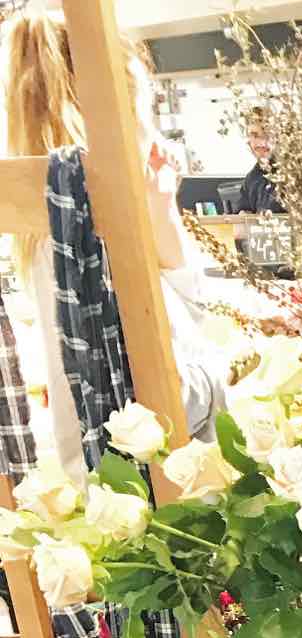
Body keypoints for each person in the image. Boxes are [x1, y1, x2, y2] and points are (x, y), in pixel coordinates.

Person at [0, 4, 226, 484]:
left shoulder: (55, 220)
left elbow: (188, 307)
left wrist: (161, 207)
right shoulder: (83, 229)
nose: (155, 132)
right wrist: (219, 372)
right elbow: (171, 401)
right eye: (145, 109)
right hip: (156, 493)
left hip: (114, 486)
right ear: (118, 114)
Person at [240, 108, 284, 215]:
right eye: (254, 135)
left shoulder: (292, 176)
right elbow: (243, 212)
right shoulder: (252, 178)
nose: (261, 143)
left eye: (267, 135)